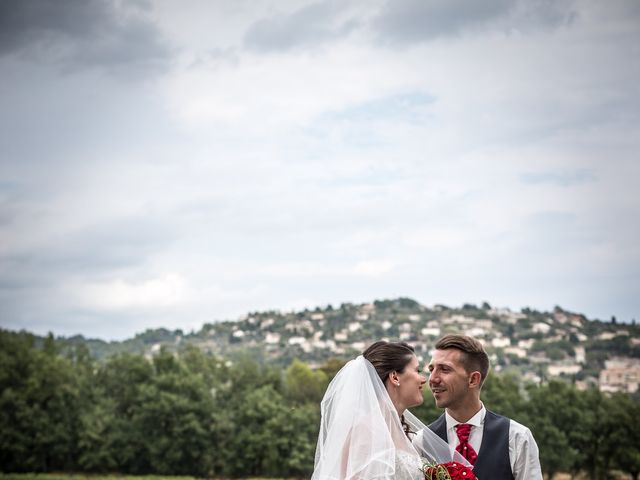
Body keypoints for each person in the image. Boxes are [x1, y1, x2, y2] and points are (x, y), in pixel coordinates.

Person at [312, 341, 468, 480]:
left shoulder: (398, 429)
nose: (423, 379)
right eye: (417, 371)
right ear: (395, 377)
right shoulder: (365, 432)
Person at [426, 334, 543, 480]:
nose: (433, 379)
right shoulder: (422, 441)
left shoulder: (517, 437)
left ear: (473, 379)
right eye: (431, 369)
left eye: (444, 369)